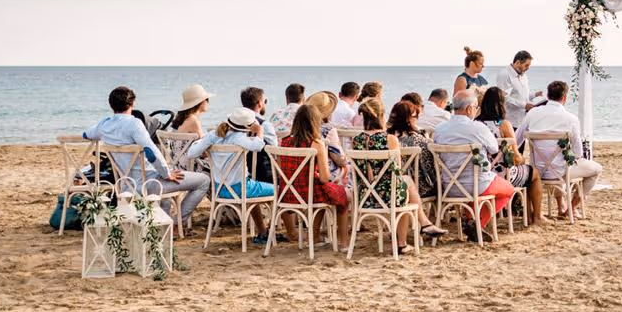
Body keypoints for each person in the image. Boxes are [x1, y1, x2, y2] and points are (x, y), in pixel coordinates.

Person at [84, 86, 211, 226]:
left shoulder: (104, 125)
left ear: (111, 105)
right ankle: (176, 223)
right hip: (149, 184)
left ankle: (163, 224)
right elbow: (151, 153)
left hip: (125, 184)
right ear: (132, 103)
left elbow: (86, 134)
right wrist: (166, 173)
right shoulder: (134, 123)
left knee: (166, 188)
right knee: (204, 181)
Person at [349, 99, 434, 251]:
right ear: (381, 116)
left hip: (365, 196)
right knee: (405, 189)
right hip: (388, 197)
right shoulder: (390, 139)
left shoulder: (356, 140)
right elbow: (397, 171)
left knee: (404, 184)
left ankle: (424, 225)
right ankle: (403, 243)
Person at [183, 106, 277, 241]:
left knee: (253, 190)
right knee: (279, 190)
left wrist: (202, 143)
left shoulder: (213, 135)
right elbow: (257, 146)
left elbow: (192, 153)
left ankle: (262, 232)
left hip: (220, 190)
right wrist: (260, 131)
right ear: (247, 126)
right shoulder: (239, 138)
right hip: (240, 189)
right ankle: (275, 233)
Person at [431, 90, 516, 235]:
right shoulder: (478, 128)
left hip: (449, 187)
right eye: (476, 107)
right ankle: (477, 224)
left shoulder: (439, 129)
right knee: (508, 190)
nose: (477, 110)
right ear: (469, 108)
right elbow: (494, 148)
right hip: (478, 185)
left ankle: (470, 219)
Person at [517, 80, 600, 218]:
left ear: (548, 96)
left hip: (537, 172)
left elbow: (517, 139)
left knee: (559, 160)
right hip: (561, 172)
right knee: (596, 169)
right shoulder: (571, 118)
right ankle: (571, 208)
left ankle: (562, 204)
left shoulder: (532, 113)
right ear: (565, 97)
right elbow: (578, 152)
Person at [278, 104, 351, 249]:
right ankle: (344, 242)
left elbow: (282, 170)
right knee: (344, 196)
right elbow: (325, 178)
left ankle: (316, 238)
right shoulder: (316, 144)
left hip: (288, 194)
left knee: (320, 191)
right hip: (310, 194)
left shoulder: (284, 142)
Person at [478, 84, 543, 222]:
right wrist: (522, 160)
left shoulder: (475, 124)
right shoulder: (504, 125)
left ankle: (527, 213)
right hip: (502, 176)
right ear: (502, 105)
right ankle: (536, 216)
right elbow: (515, 158)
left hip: (479, 173)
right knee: (534, 173)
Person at [497, 51, 535, 130]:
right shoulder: (505, 74)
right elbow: (504, 98)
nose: (528, 68)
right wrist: (524, 105)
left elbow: (521, 96)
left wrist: (534, 97)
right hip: (510, 122)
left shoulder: (524, 76)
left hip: (523, 121)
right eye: (526, 65)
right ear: (518, 62)